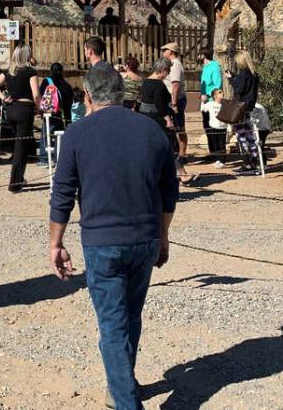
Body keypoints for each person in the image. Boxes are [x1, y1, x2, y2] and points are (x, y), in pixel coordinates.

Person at [49, 65, 178, 410]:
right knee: (130, 316)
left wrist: (55, 242)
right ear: (123, 93)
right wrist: (163, 236)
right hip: (145, 237)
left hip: (102, 240)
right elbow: (169, 191)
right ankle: (120, 384)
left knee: (112, 325)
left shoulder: (77, 133)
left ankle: (124, 401)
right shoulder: (152, 132)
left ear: (88, 96)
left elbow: (62, 193)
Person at [137, 58, 196, 184]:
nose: (168, 73)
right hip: (158, 120)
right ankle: (181, 174)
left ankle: (177, 174)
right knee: (168, 147)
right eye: (168, 70)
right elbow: (160, 105)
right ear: (162, 70)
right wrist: (168, 120)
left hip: (147, 119)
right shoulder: (158, 84)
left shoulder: (146, 82)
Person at [0, 44, 40, 192]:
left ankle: (20, 178)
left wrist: (4, 98)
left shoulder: (10, 72)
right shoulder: (30, 72)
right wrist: (41, 108)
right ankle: (14, 183)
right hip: (25, 110)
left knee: (20, 145)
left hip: (11, 111)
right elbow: (36, 94)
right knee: (20, 148)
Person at [229, 50, 260, 174]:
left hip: (240, 108)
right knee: (250, 136)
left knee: (242, 136)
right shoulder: (253, 74)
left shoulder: (243, 73)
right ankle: (253, 162)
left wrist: (231, 80)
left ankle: (247, 164)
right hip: (249, 107)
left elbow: (240, 89)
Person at [37, 62, 74, 167]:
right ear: (62, 71)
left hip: (51, 115)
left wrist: (40, 111)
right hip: (64, 117)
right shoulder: (66, 85)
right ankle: (58, 158)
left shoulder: (47, 81)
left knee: (46, 135)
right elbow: (70, 101)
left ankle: (44, 159)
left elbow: (41, 96)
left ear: (51, 71)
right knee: (60, 137)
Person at [161, 42, 188, 164]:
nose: (163, 52)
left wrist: (174, 103)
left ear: (171, 52)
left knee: (179, 126)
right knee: (171, 127)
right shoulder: (170, 64)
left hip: (176, 100)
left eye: (165, 50)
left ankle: (182, 154)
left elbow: (175, 85)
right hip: (170, 99)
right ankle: (175, 152)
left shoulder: (175, 64)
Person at [198, 49, 223, 137]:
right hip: (204, 102)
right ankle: (211, 150)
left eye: (199, 54)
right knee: (206, 127)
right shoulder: (205, 67)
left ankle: (217, 150)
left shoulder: (215, 67)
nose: (198, 56)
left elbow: (217, 84)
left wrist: (208, 96)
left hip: (212, 101)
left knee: (213, 128)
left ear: (203, 55)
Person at [201, 88, 228, 167]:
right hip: (213, 127)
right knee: (215, 144)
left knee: (222, 144)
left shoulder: (225, 104)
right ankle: (217, 159)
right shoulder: (210, 104)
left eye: (222, 92)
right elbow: (203, 109)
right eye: (219, 92)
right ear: (215, 96)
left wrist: (229, 126)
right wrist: (203, 101)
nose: (222, 94)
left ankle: (222, 160)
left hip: (223, 127)